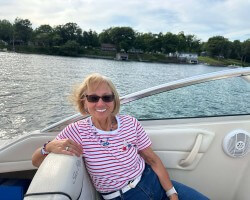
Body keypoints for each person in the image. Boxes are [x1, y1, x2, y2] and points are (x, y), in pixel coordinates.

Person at [32, 73, 209, 200]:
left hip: (152, 181)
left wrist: (172, 193)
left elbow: (152, 160)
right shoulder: (76, 131)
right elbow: (36, 161)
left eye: (106, 97)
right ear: (84, 103)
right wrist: (47, 148)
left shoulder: (131, 123)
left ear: (114, 101)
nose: (100, 103)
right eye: (93, 98)